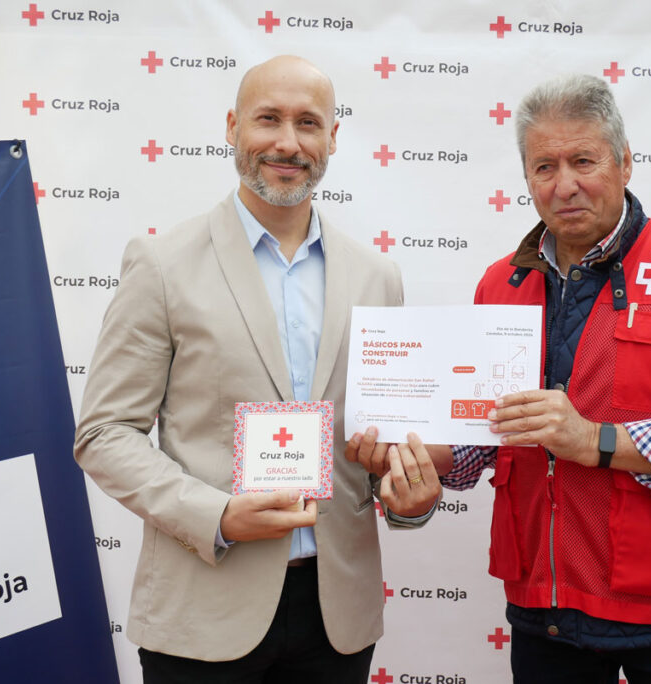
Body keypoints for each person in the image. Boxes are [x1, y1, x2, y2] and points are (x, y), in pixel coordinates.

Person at [361, 74, 651, 683]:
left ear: (626, 163)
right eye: (544, 167)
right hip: (543, 608)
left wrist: (594, 441)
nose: (565, 184)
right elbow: (485, 439)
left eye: (584, 160)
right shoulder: (501, 284)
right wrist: (414, 460)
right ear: (526, 179)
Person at [74, 55, 441, 684]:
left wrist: (410, 498)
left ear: (333, 138)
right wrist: (213, 515)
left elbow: (382, 447)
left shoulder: (377, 278)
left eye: (308, 123)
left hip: (338, 617)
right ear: (232, 127)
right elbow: (105, 434)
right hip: (203, 609)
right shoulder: (162, 264)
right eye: (268, 118)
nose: (287, 142)